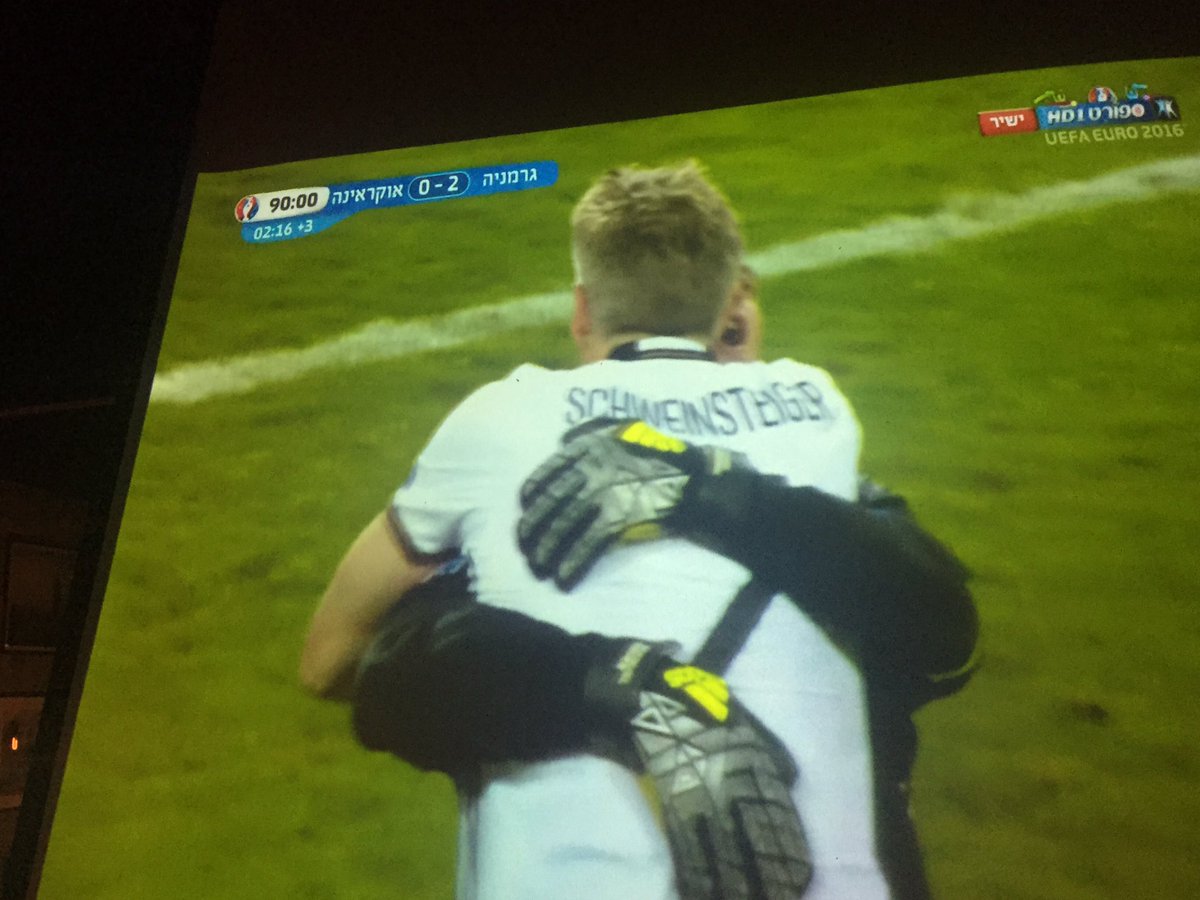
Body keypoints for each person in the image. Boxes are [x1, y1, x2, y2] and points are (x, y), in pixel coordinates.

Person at [301, 162, 975, 899]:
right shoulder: (817, 408)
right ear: (734, 302)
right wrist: (727, 420)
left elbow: (330, 660)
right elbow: (948, 643)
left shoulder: (500, 420)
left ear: (581, 311)